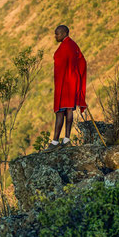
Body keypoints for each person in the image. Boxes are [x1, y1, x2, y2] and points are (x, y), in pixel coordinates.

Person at [43, 25, 87, 153]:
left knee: (60, 112)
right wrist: (76, 78)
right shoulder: (72, 45)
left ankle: (55, 142)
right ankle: (66, 140)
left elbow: (78, 62)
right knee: (69, 111)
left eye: (57, 34)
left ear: (64, 33)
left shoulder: (67, 46)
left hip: (64, 84)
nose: (55, 36)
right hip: (70, 82)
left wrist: (73, 76)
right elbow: (81, 61)